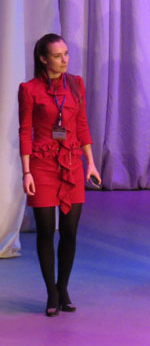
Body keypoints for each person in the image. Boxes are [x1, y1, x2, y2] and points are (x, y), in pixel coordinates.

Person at [18, 33, 101, 316]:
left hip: (71, 163)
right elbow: (25, 131)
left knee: (69, 231)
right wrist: (26, 172)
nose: (64, 60)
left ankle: (63, 287)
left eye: (66, 54)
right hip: (42, 165)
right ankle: (51, 293)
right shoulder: (29, 89)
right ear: (43, 59)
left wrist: (91, 163)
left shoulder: (76, 84)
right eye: (57, 56)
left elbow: (82, 125)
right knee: (45, 231)